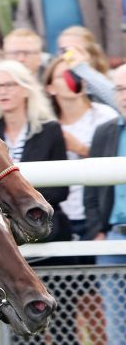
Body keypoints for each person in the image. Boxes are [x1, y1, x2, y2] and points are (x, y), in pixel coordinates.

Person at [0, 60, 70, 244]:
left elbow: (60, 189)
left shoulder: (50, 130)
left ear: (26, 89)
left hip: (42, 222)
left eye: (9, 85)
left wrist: (19, 201)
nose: (2, 90)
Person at [42, 56, 117, 241]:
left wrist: (81, 149)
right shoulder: (46, 126)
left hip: (97, 215)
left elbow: (115, 162)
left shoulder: (105, 115)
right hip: (62, 216)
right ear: (50, 88)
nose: (73, 79)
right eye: (65, 75)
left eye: (76, 74)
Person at [84, 64, 126, 345]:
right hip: (111, 239)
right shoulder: (104, 132)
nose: (124, 95)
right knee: (116, 334)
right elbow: (91, 187)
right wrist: (97, 230)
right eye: (120, 89)